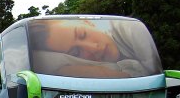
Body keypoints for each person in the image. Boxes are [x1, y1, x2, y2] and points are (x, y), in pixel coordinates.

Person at [28, 19, 162, 78]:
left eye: (82, 34)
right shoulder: (93, 70)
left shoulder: (129, 29)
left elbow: (153, 80)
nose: (93, 48)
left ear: (88, 22)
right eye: (76, 52)